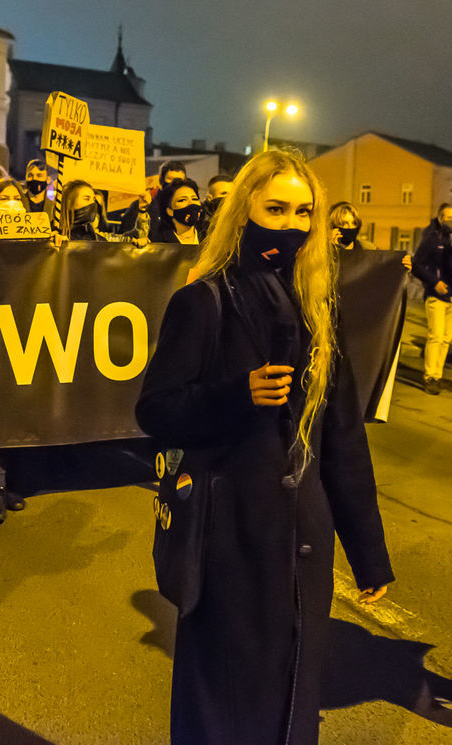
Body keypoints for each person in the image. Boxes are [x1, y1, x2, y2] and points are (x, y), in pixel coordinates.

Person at [136, 150, 393, 745]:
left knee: (293, 696)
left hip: (305, 537)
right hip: (230, 537)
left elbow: (343, 436)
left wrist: (368, 550)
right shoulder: (203, 300)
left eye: (304, 212)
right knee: (227, 702)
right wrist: (236, 394)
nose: (291, 224)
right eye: (275, 208)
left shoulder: (320, 304)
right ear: (244, 208)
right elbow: (155, 411)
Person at [411, 204, 452, 394]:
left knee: (446, 339)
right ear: (440, 219)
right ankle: (430, 376)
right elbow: (417, 265)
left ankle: (438, 376)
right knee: (436, 336)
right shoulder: (431, 240)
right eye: (449, 217)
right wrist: (433, 282)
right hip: (436, 296)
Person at [57, 179, 147, 244]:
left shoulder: (99, 238)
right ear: (69, 202)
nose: (93, 204)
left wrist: (142, 210)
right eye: (86, 199)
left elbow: (133, 238)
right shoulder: (54, 234)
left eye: (94, 200)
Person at [150, 178, 202, 244]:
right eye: (182, 200)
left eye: (194, 199)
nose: (191, 203)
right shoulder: (158, 241)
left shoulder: (209, 235)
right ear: (170, 211)